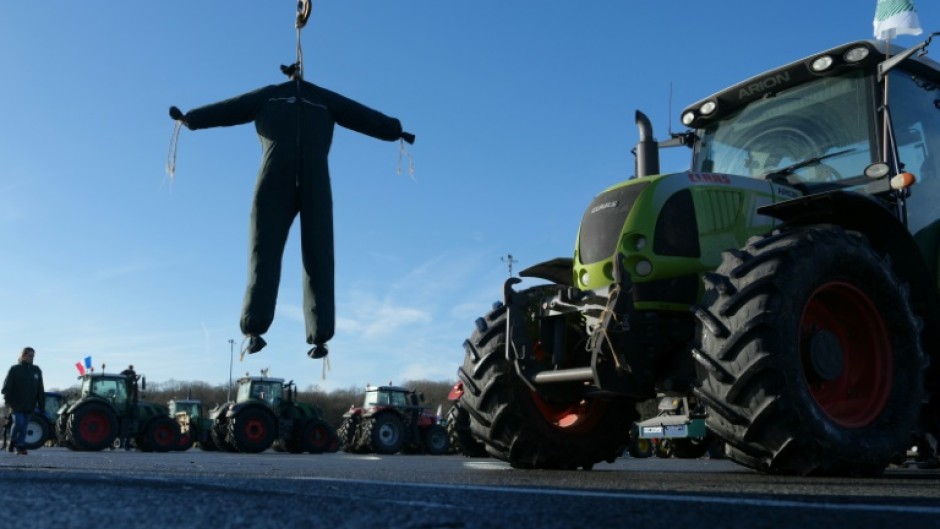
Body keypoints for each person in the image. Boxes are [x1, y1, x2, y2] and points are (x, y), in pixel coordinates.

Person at [170, 70, 413, 360]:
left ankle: (320, 334)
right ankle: (254, 326)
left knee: (319, 255)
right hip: (273, 182)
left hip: (315, 183)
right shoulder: (269, 96)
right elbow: (231, 108)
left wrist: (392, 129)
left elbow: (357, 113)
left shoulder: (322, 100)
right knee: (263, 251)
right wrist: (192, 119)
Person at [1, 347, 45, 455]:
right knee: (19, 423)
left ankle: (20, 446)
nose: (32, 358)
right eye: (30, 355)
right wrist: (7, 401)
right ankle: (13, 441)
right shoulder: (15, 369)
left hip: (30, 404)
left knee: (25, 426)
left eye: (33, 356)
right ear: (23, 356)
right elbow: (7, 386)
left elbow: (40, 388)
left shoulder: (36, 370)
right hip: (16, 403)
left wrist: (41, 405)